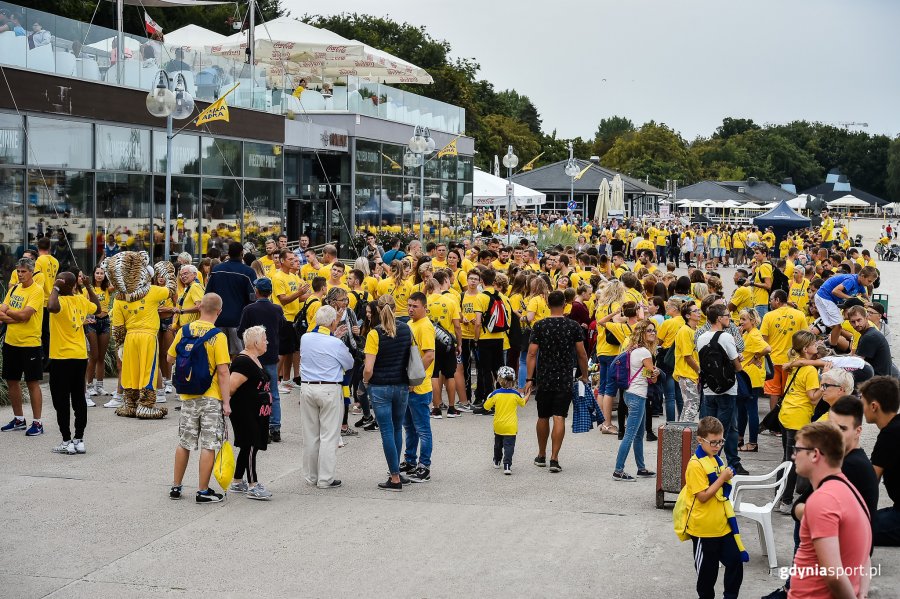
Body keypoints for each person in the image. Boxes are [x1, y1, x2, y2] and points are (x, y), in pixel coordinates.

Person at [788, 421, 872, 599]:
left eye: (798, 450)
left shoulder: (823, 500)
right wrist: (861, 593)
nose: (794, 456)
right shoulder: (851, 491)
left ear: (815, 455)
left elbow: (834, 575)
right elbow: (865, 558)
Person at [167, 293, 232, 503]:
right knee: (208, 444)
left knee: (184, 442)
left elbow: (170, 358)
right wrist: (227, 402)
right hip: (210, 397)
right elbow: (223, 372)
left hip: (187, 395)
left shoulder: (185, 331)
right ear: (219, 311)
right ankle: (203, 490)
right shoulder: (218, 336)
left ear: (199, 308)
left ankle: (176, 487)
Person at [680, 416, 747, 599]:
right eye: (713, 442)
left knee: (735, 561)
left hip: (722, 526)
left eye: (720, 441)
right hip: (704, 530)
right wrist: (722, 479)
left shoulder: (716, 459)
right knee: (707, 576)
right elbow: (702, 497)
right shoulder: (695, 465)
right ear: (700, 440)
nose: (717, 446)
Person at [525, 290, 588, 473]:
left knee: (543, 416)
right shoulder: (573, 326)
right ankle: (554, 458)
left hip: (545, 376)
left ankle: (541, 454)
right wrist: (584, 375)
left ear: (547, 305)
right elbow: (582, 354)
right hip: (565, 376)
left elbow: (531, 353)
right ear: (565, 305)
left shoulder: (540, 325)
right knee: (559, 416)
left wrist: (530, 378)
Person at [298, 305, 354, 490]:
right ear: (332, 322)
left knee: (311, 435)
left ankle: (311, 476)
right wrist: (335, 339)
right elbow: (349, 362)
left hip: (307, 387)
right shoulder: (334, 343)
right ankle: (325, 478)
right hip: (329, 388)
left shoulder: (305, 338)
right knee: (329, 435)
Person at [363, 295, 413, 491]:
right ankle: (397, 471)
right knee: (397, 428)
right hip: (401, 384)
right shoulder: (405, 329)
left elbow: (368, 368)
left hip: (380, 386)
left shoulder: (375, 334)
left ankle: (394, 477)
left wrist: (365, 382)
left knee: (386, 431)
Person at [47, 272, 100, 454]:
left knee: (62, 401)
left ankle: (67, 440)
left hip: (61, 359)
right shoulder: (80, 300)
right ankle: (79, 440)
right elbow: (97, 307)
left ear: (62, 284)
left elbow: (51, 307)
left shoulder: (59, 301)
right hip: (79, 357)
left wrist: (55, 287)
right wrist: (88, 287)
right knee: (78, 398)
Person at [777, 331, 824, 515]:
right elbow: (813, 399)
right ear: (806, 348)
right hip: (798, 418)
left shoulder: (795, 365)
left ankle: (779, 494)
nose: (817, 344)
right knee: (794, 462)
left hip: (786, 414)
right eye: (814, 343)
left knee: (786, 458)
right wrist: (824, 384)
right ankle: (786, 501)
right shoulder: (810, 370)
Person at [697, 304, 747, 476]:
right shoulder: (726, 337)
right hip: (727, 389)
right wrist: (739, 360)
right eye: (727, 315)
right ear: (719, 318)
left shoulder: (701, 337)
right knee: (721, 431)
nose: (729, 318)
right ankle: (715, 466)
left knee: (712, 428)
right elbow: (737, 365)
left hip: (709, 388)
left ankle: (714, 462)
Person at [238, 278, 287, 442]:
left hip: (253, 357)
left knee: (254, 392)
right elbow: (282, 327)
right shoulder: (277, 309)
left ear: (256, 291)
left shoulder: (249, 309)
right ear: (270, 292)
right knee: (273, 392)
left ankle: (260, 427)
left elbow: (241, 332)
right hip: (271, 355)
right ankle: (275, 427)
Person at [227, 326, 273, 500]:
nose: (267, 342)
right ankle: (253, 485)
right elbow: (230, 388)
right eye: (264, 339)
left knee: (248, 445)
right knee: (251, 443)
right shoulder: (243, 361)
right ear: (255, 342)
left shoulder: (254, 358)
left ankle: (238, 481)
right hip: (244, 411)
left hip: (256, 411)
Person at [0, 258, 45, 436]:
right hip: (11, 342)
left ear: (31, 272)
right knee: (12, 381)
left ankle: (37, 422)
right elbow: (6, 313)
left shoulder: (37, 291)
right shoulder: (14, 289)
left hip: (30, 343)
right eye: (18, 271)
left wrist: (10, 314)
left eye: (23, 271)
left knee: (32, 382)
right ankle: (19, 419)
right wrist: (15, 316)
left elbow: (25, 315)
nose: (20, 274)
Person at [612, 319, 659, 482]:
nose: (652, 333)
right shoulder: (645, 353)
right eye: (649, 331)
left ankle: (641, 468)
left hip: (629, 393)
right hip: (638, 395)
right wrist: (656, 373)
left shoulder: (633, 350)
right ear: (642, 334)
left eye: (654, 330)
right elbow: (651, 378)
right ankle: (618, 470)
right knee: (631, 434)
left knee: (639, 434)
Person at [860, 376, 900, 546]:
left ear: (874, 406)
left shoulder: (890, 435)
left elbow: (869, 483)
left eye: (862, 403)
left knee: (851, 529)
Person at [401, 292, 436, 483]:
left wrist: (413, 379)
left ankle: (424, 466)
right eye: (409, 305)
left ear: (424, 307)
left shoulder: (425, 326)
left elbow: (429, 355)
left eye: (415, 306)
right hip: (408, 386)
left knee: (422, 429)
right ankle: (410, 461)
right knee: (409, 428)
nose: (411, 309)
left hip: (419, 388)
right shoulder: (409, 324)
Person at [827, 395, 880, 518]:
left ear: (858, 431)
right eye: (831, 426)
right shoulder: (843, 459)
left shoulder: (851, 466)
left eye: (842, 429)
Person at [205, 241, 257, 357]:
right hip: (238, 321)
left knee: (219, 354)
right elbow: (253, 297)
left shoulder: (217, 270)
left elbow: (208, 295)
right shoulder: (248, 272)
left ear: (228, 253)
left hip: (217, 319)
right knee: (239, 355)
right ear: (242, 254)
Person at [472, 269, 512, 412]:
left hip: (485, 337)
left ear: (482, 281)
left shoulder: (480, 297)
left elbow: (477, 322)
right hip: (499, 337)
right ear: (494, 281)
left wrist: (476, 339)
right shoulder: (499, 295)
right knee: (499, 370)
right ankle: (503, 399)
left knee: (485, 371)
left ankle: (488, 404)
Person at [761, 290, 807, 411]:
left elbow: (763, 340)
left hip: (772, 361)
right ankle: (787, 419)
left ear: (777, 300)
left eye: (771, 299)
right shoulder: (800, 315)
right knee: (789, 390)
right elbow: (805, 338)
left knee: (773, 392)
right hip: (793, 360)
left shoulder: (768, 316)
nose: (770, 302)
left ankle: (773, 424)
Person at [736, 308, 770, 454]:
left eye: (744, 319)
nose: (741, 322)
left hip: (752, 378)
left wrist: (756, 357)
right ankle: (740, 438)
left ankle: (753, 442)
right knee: (742, 409)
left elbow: (767, 348)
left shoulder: (755, 335)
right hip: (745, 376)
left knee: (751, 410)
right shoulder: (747, 334)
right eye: (740, 319)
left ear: (752, 321)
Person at [485, 366, 526, 475]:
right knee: (509, 446)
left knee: (498, 444)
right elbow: (522, 403)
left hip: (498, 425)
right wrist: (526, 396)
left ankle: (497, 460)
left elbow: (486, 406)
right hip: (511, 426)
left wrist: (489, 398)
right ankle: (507, 465)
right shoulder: (515, 394)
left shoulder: (496, 394)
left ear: (499, 380)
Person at [813, 266, 877, 331]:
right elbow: (835, 291)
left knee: (837, 324)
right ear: (862, 276)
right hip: (824, 297)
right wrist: (851, 298)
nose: (870, 284)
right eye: (869, 281)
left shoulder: (860, 283)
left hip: (830, 300)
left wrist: (869, 303)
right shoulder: (851, 280)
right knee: (837, 324)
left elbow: (865, 295)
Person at [84, 265, 113, 400]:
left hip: (105, 321)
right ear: (93, 274)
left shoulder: (107, 288)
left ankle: (99, 385)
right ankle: (89, 385)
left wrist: (110, 269)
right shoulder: (87, 289)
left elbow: (117, 284)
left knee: (101, 356)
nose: (100, 275)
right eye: (97, 273)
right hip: (92, 322)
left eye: (102, 273)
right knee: (93, 355)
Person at [846, 305, 893, 376]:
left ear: (866, 318)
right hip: (881, 376)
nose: (857, 324)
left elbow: (855, 364)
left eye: (859, 320)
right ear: (850, 323)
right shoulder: (869, 332)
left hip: (878, 380)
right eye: (853, 322)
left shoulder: (869, 337)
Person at [674, 300, 701, 421]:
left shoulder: (697, 330)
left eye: (699, 310)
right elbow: (687, 356)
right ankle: (685, 434)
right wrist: (700, 370)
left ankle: (681, 435)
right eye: (695, 311)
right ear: (688, 315)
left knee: (688, 405)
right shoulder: (685, 331)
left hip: (693, 374)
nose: (699, 313)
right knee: (692, 406)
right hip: (686, 373)